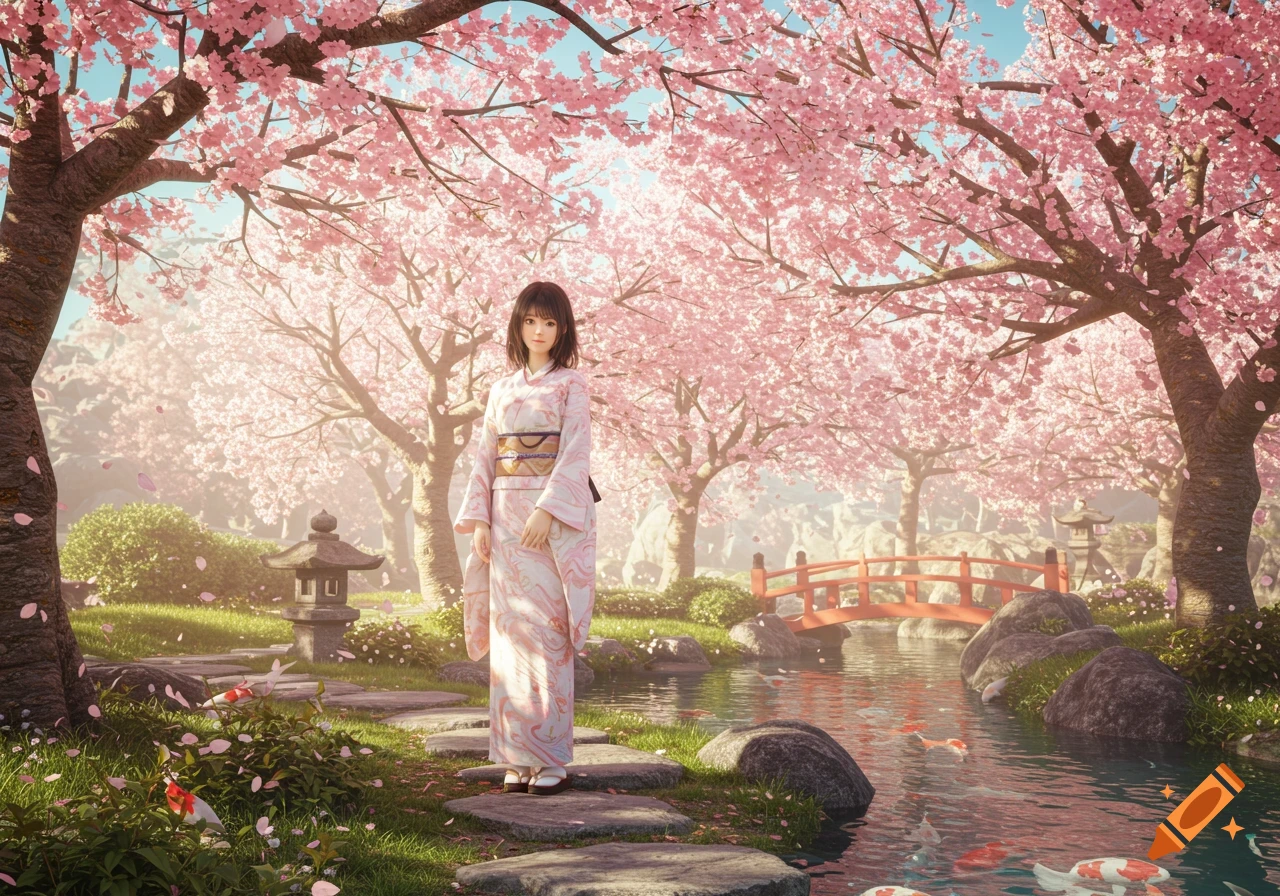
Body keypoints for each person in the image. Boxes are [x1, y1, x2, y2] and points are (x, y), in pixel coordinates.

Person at [452, 281, 597, 796]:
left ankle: (551, 758)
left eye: (550, 323)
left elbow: (576, 451)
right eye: (531, 321)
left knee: (547, 635)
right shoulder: (501, 388)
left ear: (563, 329)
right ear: (518, 326)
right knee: (510, 637)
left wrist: (547, 510)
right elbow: (485, 459)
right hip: (504, 515)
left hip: (548, 522)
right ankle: (515, 757)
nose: (540, 331)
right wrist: (483, 522)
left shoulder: (571, 385)